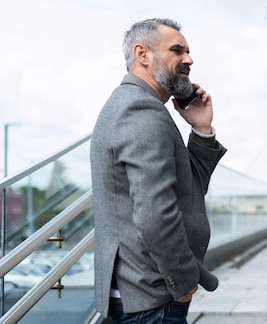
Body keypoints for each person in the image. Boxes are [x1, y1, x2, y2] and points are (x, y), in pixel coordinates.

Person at [90, 18, 226, 323]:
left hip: (145, 295)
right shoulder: (141, 111)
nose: (189, 59)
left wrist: (202, 129)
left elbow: (188, 190)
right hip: (152, 298)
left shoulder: (136, 106)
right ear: (142, 54)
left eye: (188, 51)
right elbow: (155, 215)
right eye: (177, 50)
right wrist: (183, 283)